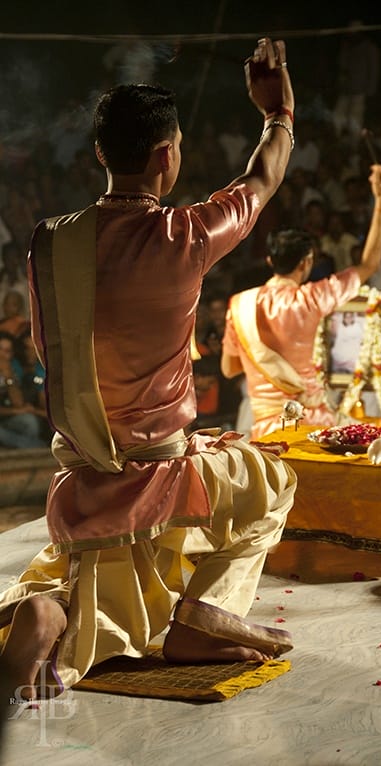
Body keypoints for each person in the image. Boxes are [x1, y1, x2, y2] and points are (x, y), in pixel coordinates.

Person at [0, 37, 298, 702]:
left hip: (80, 472)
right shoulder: (185, 235)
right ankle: (198, 617)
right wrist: (277, 113)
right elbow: (262, 178)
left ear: (102, 152)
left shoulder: (48, 241)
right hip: (160, 467)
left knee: (85, 580)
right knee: (268, 483)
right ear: (167, 155)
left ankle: (49, 612)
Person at [221, 163, 381, 439]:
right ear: (307, 263)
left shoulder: (240, 304)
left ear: (270, 260)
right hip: (313, 427)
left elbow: (229, 369)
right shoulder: (314, 297)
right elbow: (370, 264)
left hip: (266, 432)